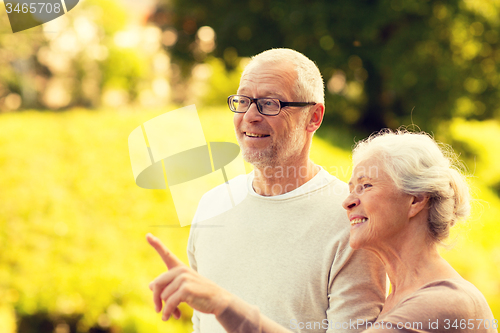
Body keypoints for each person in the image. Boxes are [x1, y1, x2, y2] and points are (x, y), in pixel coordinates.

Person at [147, 129, 498, 333]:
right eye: (349, 188)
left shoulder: (442, 303)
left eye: (365, 186)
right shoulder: (400, 297)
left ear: (415, 201)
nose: (347, 201)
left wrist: (224, 303)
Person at [149, 48, 386, 333]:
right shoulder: (212, 205)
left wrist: (225, 304)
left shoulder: (352, 218)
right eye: (243, 101)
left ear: (314, 117)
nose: (249, 116)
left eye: (269, 104)